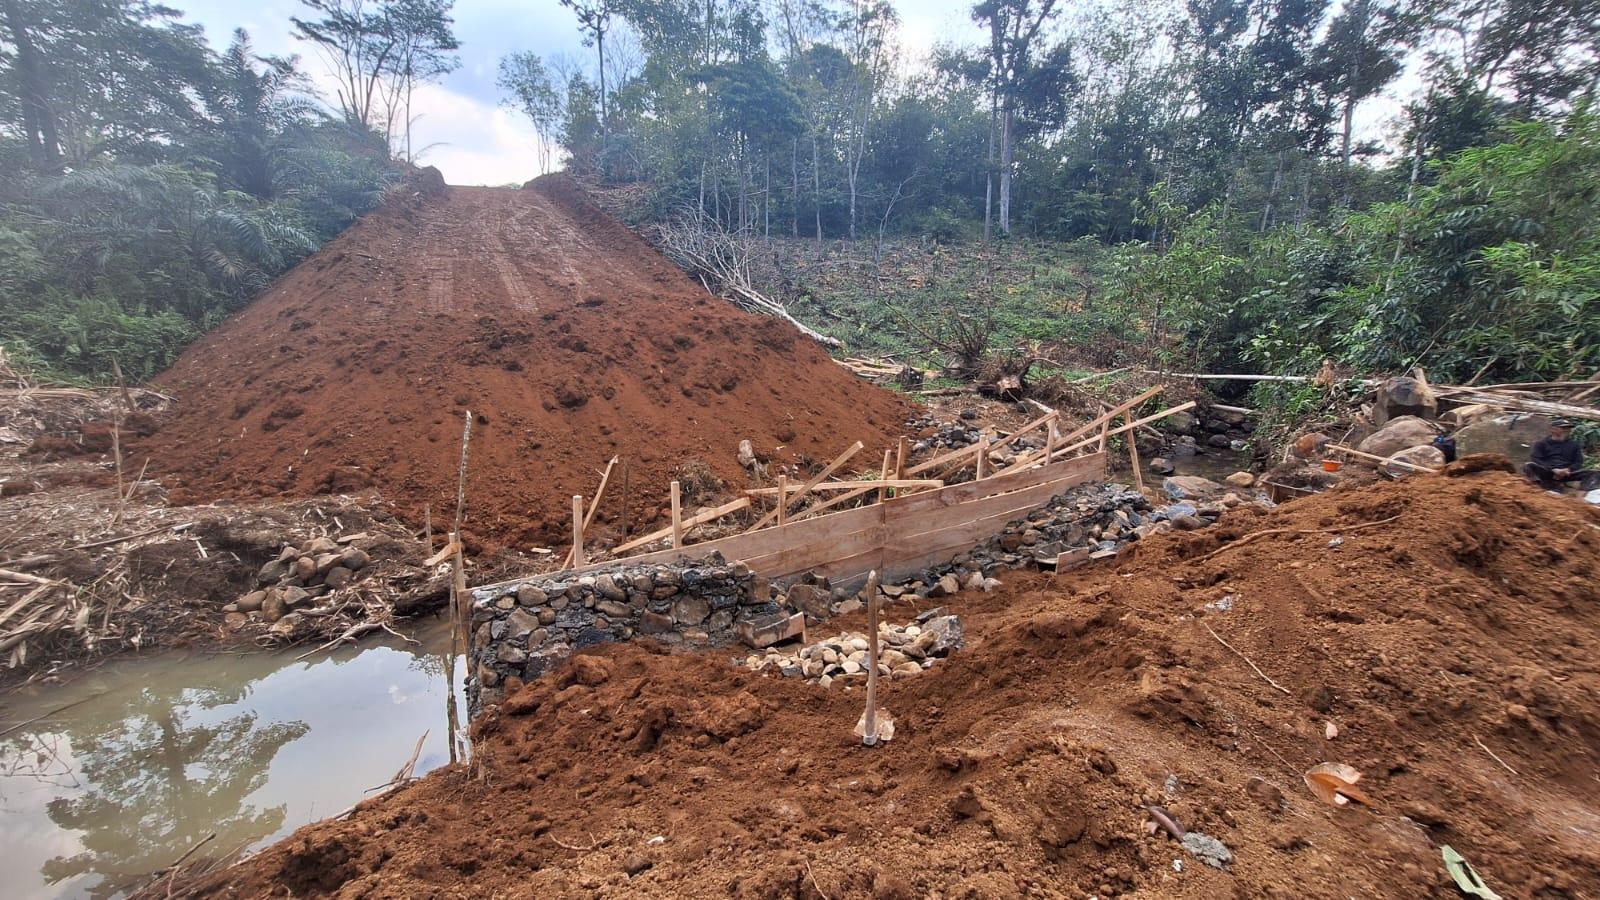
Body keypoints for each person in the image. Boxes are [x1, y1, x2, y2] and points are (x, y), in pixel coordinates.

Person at [1524, 419, 1597, 491]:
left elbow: (1578, 462)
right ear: (1553, 429)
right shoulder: (1541, 443)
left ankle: (1584, 491)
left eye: (1568, 428)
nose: (1566, 430)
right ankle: (1536, 486)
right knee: (1529, 466)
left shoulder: (1574, 445)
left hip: (1568, 473)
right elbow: (1537, 459)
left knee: (1594, 473)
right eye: (1563, 428)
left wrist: (1567, 470)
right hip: (1548, 471)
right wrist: (1553, 469)